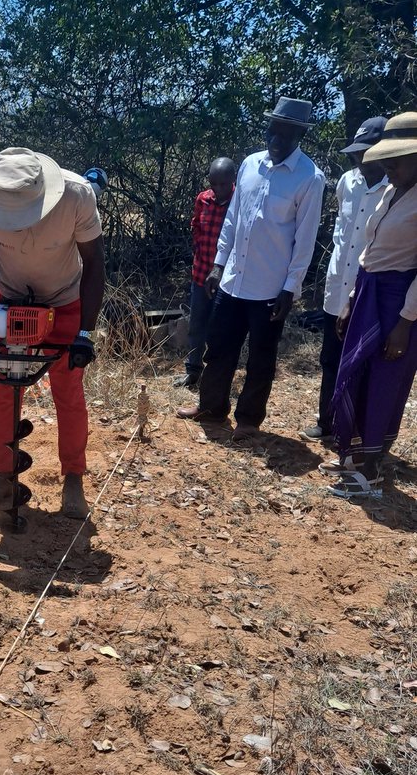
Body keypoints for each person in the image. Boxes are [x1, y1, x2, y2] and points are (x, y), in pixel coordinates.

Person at [0, 147, 106, 519]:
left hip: (65, 299)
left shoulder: (76, 194)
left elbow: (95, 262)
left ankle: (74, 478)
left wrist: (85, 332)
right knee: (5, 389)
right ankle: (4, 474)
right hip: (9, 299)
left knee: (67, 389)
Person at [177, 97, 326, 439]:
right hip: (232, 281)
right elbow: (233, 220)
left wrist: (291, 288)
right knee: (219, 348)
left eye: (285, 134)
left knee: (261, 359)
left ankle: (248, 420)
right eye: (273, 131)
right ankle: (212, 408)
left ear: (298, 136)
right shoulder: (250, 164)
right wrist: (218, 264)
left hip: (270, 288)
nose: (276, 139)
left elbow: (304, 240)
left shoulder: (309, 178)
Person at [330, 112, 417, 499]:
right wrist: (350, 298)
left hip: (400, 302)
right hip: (368, 293)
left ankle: (373, 468)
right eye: (387, 159)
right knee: (357, 371)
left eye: (396, 159)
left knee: (386, 379)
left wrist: (405, 322)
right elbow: (369, 250)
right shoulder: (387, 192)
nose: (388, 166)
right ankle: (355, 453)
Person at [300, 117, 387, 441]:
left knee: (362, 362)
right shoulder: (347, 182)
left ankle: (355, 430)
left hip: (367, 293)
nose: (359, 161)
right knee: (330, 358)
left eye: (366, 154)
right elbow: (342, 236)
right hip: (337, 288)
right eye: (356, 155)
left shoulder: (394, 191)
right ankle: (327, 422)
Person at [176, 157, 236, 390]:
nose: (218, 189)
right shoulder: (203, 199)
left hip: (228, 280)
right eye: (214, 184)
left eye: (223, 184)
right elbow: (196, 227)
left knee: (220, 330)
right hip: (201, 273)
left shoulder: (239, 202)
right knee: (197, 325)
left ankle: (216, 378)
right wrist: (199, 252)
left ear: (233, 180)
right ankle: (193, 371)